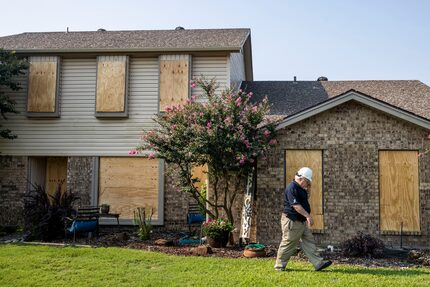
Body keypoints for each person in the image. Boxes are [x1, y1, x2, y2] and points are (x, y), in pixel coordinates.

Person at [274, 167, 332, 272]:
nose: (308, 184)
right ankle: (279, 266)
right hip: (292, 221)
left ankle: (318, 263)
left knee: (309, 240)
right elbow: (296, 206)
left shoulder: (300, 188)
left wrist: (307, 188)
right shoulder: (292, 188)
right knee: (288, 243)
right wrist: (308, 216)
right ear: (302, 179)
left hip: (300, 221)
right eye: (307, 182)